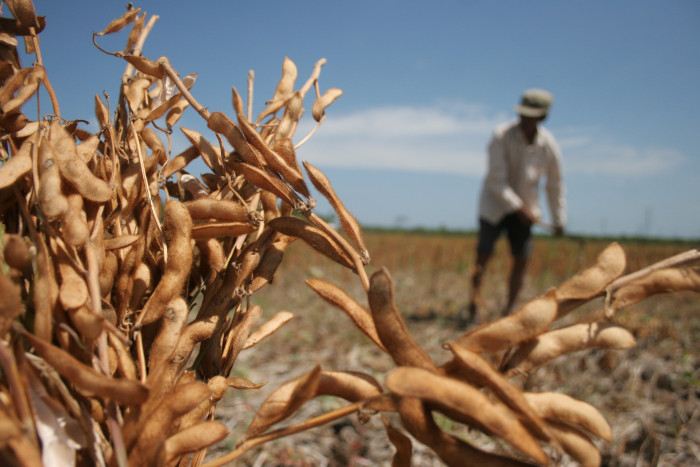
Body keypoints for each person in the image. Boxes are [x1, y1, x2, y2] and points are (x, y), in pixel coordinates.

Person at [466, 88, 566, 323]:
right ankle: (473, 304)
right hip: (494, 207)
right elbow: (496, 181)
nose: (525, 119)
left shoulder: (548, 145)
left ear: (542, 117)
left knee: (521, 259)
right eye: (523, 114)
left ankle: (508, 311)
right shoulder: (501, 135)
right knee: (483, 254)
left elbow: (555, 184)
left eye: (531, 115)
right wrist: (519, 208)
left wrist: (559, 219)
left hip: (527, 211)